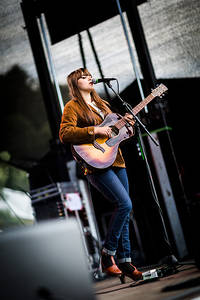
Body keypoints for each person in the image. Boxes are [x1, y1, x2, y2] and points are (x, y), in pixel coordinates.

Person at [59, 67, 142, 281]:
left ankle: (125, 261)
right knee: (125, 205)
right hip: (95, 163)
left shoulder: (103, 104)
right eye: (83, 77)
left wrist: (128, 129)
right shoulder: (72, 106)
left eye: (89, 75)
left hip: (117, 160)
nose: (89, 78)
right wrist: (95, 130)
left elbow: (115, 133)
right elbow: (65, 133)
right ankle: (107, 255)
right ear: (75, 83)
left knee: (124, 208)